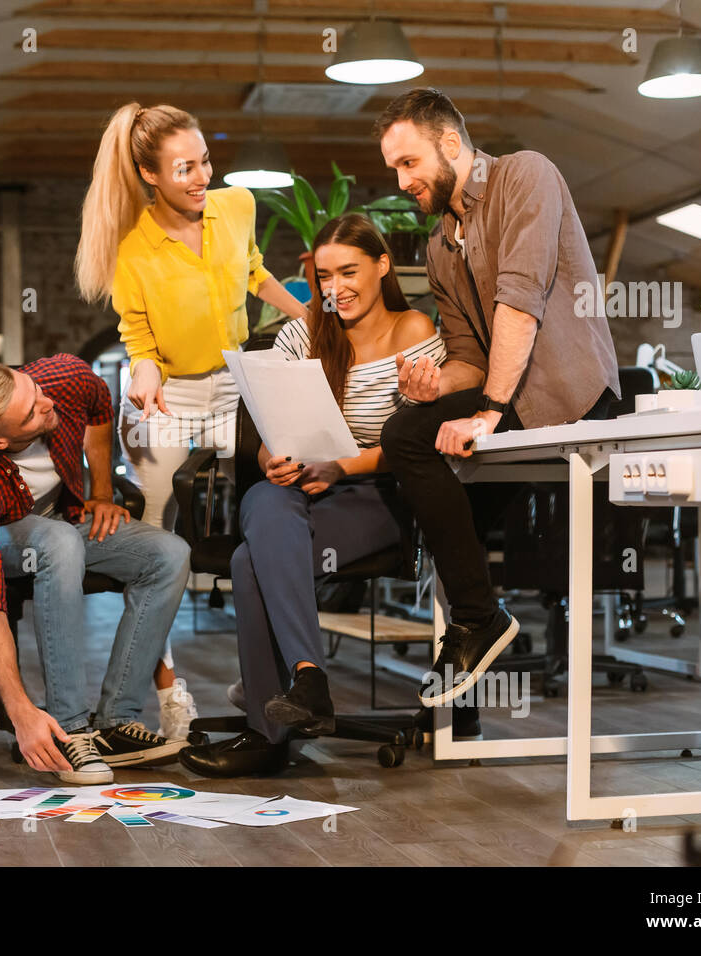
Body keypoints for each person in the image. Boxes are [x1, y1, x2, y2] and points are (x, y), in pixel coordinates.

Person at [375, 88, 620, 711]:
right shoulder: (438, 245)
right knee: (417, 450)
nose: (401, 181)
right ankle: (472, 663)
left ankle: (478, 622)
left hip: (568, 392)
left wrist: (484, 413)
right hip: (505, 390)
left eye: (409, 164)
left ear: (450, 145)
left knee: (412, 448)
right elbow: (467, 355)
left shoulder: (525, 175)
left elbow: (520, 300)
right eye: (394, 169)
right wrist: (439, 385)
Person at [75, 102, 311, 739]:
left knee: (274, 498)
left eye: (205, 159)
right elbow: (138, 335)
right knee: (156, 543)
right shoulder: (132, 249)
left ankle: (268, 677)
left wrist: (309, 320)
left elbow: (256, 273)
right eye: (184, 168)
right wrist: (144, 369)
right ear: (150, 176)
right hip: (169, 395)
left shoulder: (236, 208)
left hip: (237, 383)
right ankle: (167, 689)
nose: (202, 175)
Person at [180, 213, 445, 777]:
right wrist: (268, 459)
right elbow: (260, 428)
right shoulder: (302, 332)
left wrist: (342, 466)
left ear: (381, 266)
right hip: (293, 488)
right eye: (324, 276)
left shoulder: (414, 332)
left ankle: (268, 733)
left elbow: (415, 444)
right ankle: (308, 679)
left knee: (250, 560)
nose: (335, 289)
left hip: (372, 494)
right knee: (266, 507)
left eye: (348, 272)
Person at [0, 355, 192, 784]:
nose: (47, 405)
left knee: (168, 554)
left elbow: (99, 405)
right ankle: (71, 729)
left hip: (60, 521)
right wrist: (21, 710)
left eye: (35, 391)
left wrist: (100, 491)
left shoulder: (59, 380)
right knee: (56, 541)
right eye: (31, 412)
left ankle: (115, 724)